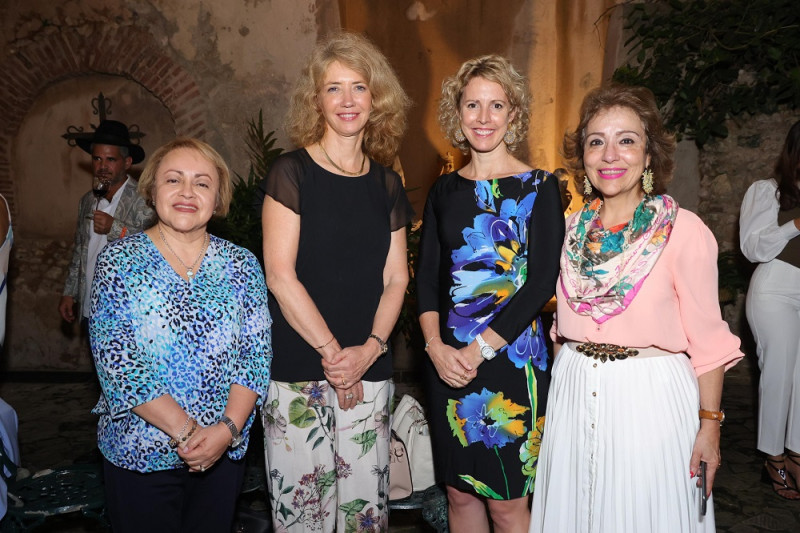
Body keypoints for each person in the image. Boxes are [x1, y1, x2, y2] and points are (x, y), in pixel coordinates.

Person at [529, 84, 743, 532]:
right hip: (573, 395)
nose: (610, 154)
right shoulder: (567, 232)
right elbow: (557, 329)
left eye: (626, 140)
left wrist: (709, 426)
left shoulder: (684, 231)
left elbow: (708, 343)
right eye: (596, 141)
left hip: (650, 402)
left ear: (648, 156)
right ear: (584, 157)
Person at [260, 32, 412, 532]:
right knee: (304, 515)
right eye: (334, 89)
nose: (348, 101)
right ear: (316, 100)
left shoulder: (388, 184)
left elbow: (396, 277)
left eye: (359, 88)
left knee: (365, 515)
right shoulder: (292, 173)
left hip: (370, 368)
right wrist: (333, 354)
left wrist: (367, 352)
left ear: (377, 98)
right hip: (302, 368)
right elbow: (280, 276)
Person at [89, 138, 272, 532]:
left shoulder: (242, 265)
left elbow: (255, 357)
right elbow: (119, 363)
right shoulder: (118, 262)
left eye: (202, 183)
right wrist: (189, 433)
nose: (188, 192)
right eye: (174, 180)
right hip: (139, 451)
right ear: (153, 191)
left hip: (223, 452)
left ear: (218, 196)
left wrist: (226, 432)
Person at [415, 55, 564, 533]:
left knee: (506, 503)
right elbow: (427, 281)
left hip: (513, 360)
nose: (483, 118)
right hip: (447, 363)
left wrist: (478, 349)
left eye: (496, 105)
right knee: (459, 496)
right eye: (473, 105)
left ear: (513, 115)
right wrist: (436, 347)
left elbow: (542, 283)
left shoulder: (541, 188)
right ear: (456, 114)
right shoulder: (442, 192)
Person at [740, 118, 800, 500]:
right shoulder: (768, 192)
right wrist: (795, 223)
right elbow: (753, 248)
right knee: (778, 374)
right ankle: (773, 457)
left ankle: (796, 452)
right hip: (775, 291)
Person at [59, 119, 155, 325]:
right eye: (97, 159)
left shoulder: (145, 201)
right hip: (89, 303)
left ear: (127, 162)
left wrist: (116, 228)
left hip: (127, 308)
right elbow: (80, 249)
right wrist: (70, 293)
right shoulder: (87, 201)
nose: (102, 166)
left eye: (110, 159)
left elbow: (153, 250)